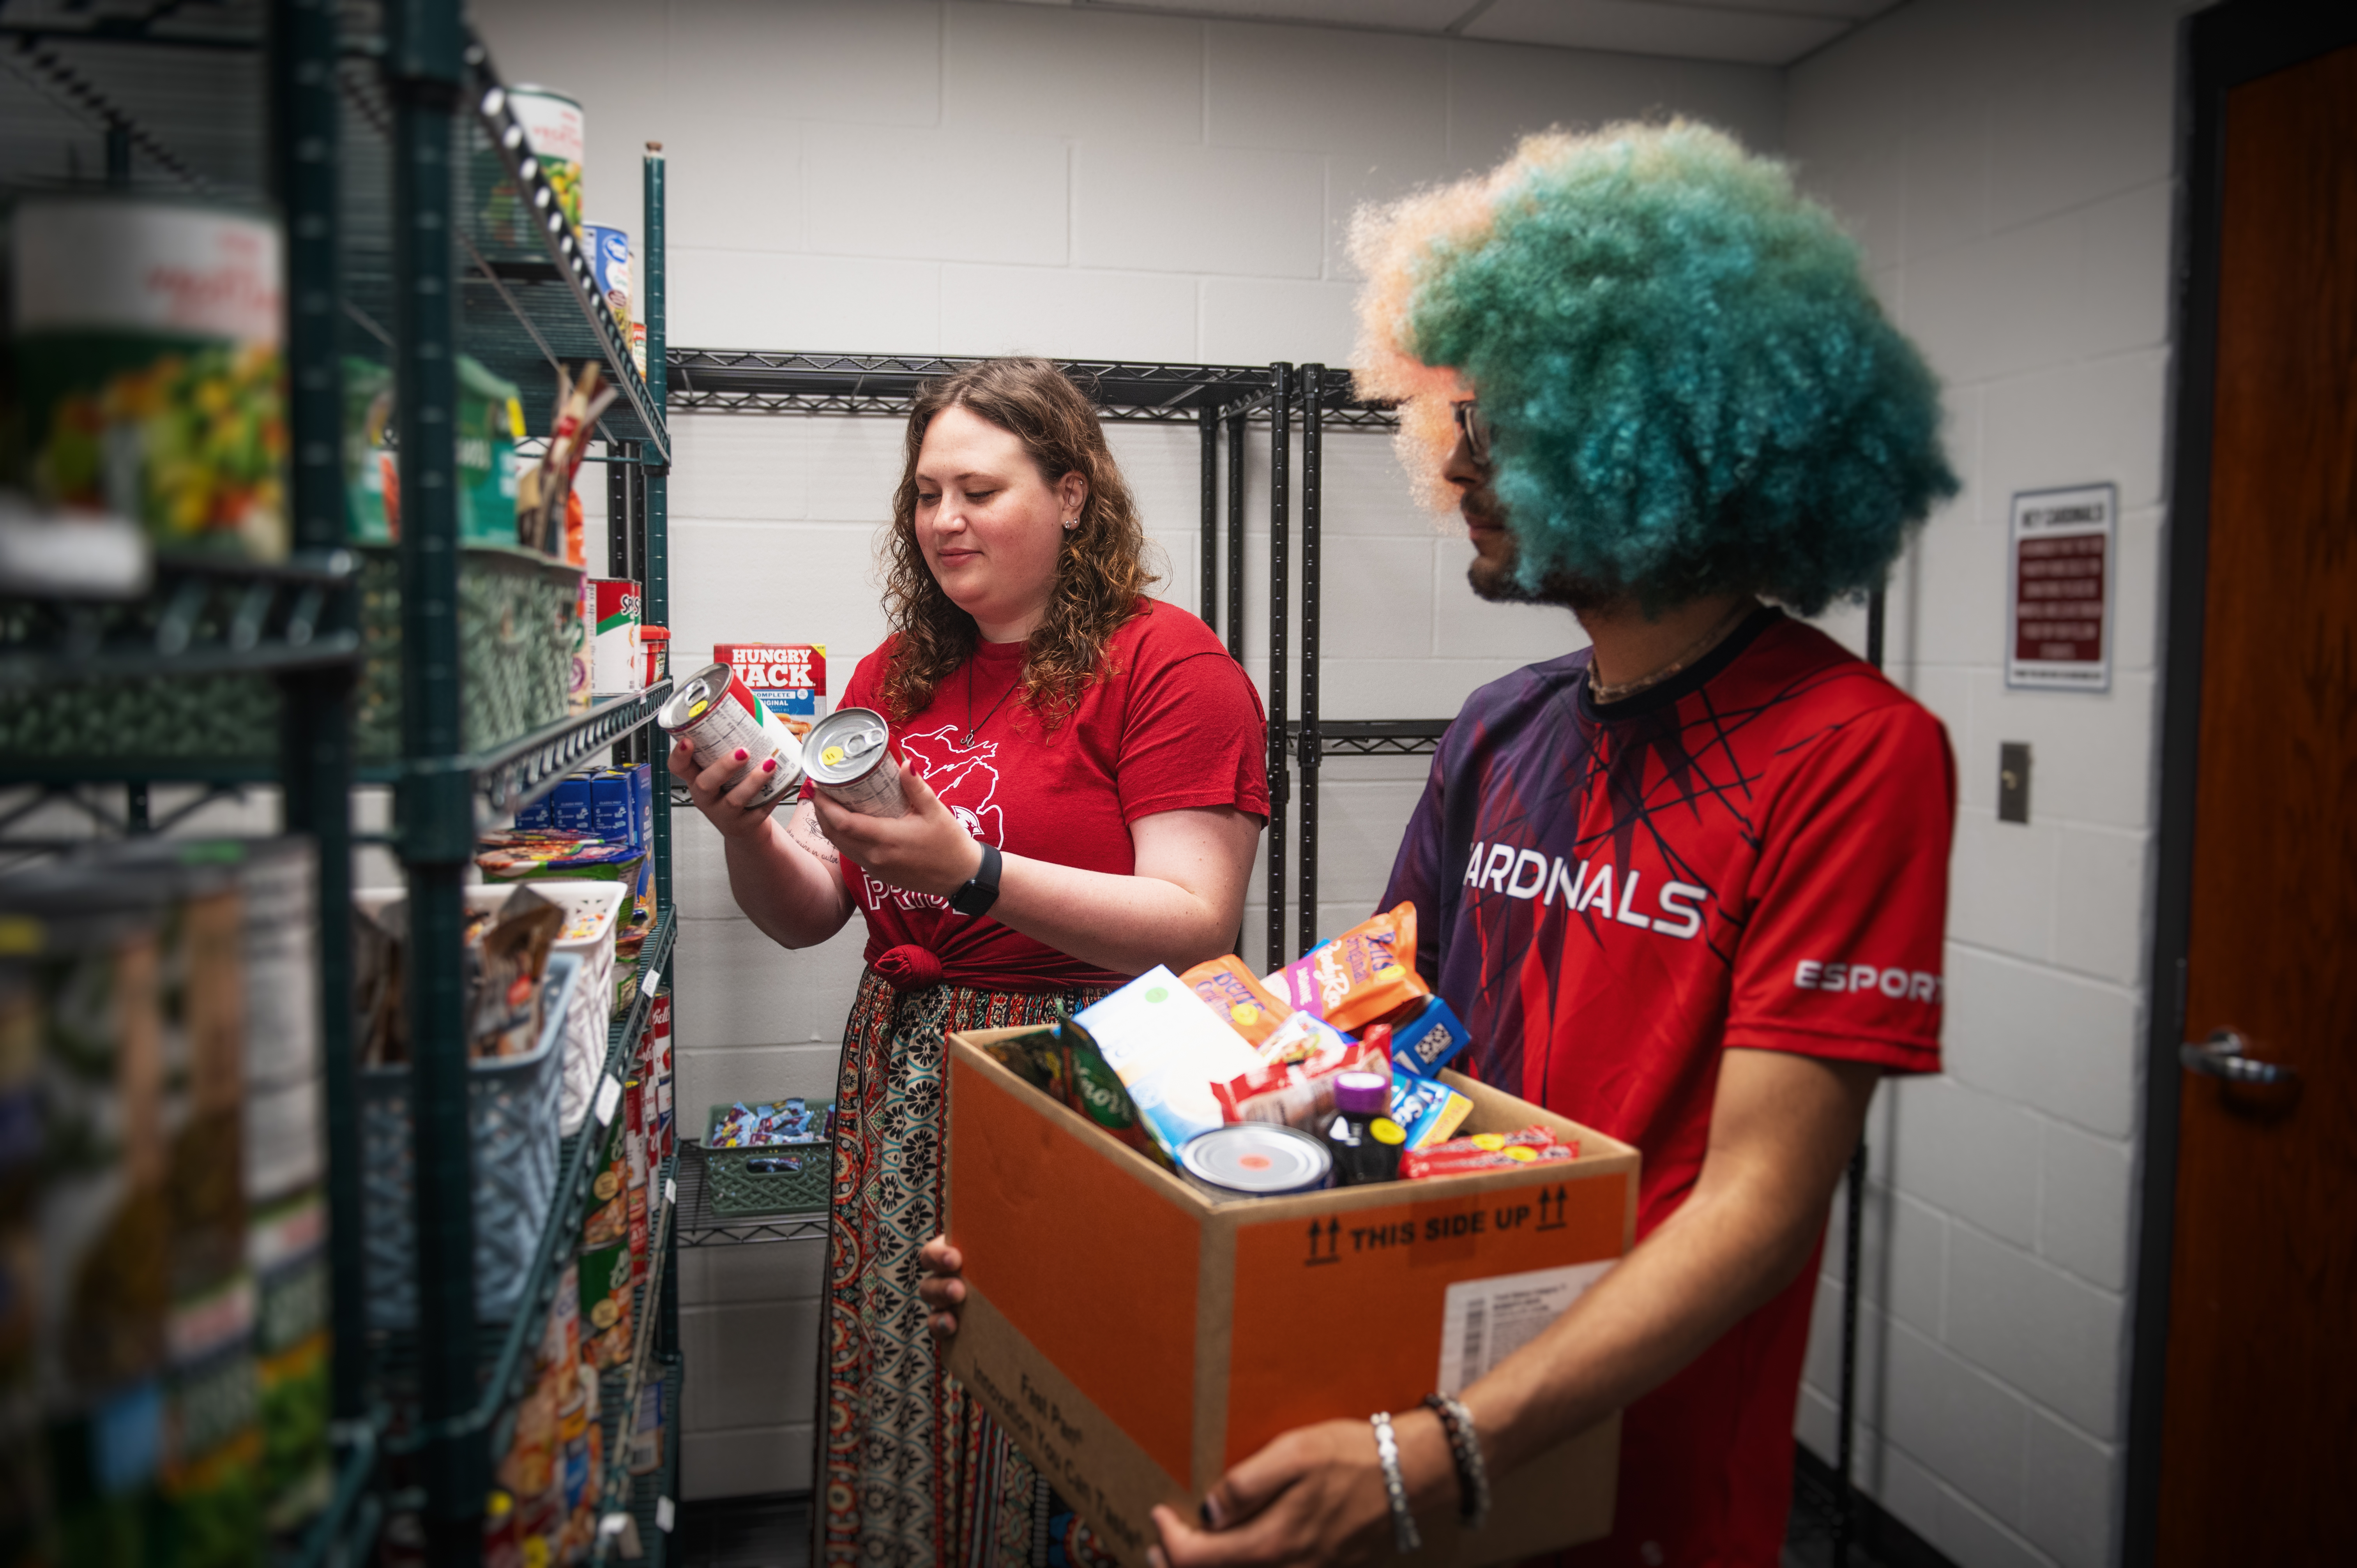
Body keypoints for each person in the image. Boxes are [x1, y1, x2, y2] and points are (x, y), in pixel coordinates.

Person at [921, 122, 1960, 1568]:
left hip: (1620, 1469)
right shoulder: (1503, 726)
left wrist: (1438, 1452)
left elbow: (1761, 1209)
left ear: (1650, 435)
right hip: (1412, 1392)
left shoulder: (1852, 752)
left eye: (1505, 418)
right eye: (1455, 414)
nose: (1457, 459)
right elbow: (1354, 1015)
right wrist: (1066, 1222)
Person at [671, 358, 1269, 1568]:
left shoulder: (1170, 666)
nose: (944, 520)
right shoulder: (892, 676)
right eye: (925, 493)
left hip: (1087, 1084)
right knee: (913, 1385)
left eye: (980, 491)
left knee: (1073, 1401)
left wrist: (974, 873)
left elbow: (1198, 919)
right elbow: (815, 912)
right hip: (903, 1073)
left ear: (1072, 496)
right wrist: (745, 830)